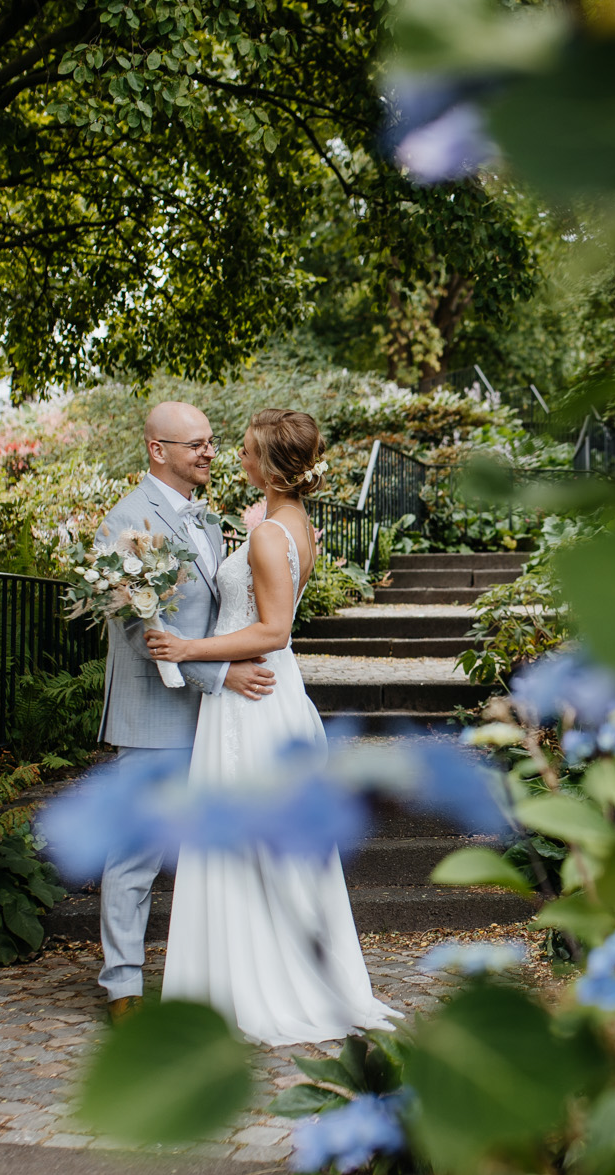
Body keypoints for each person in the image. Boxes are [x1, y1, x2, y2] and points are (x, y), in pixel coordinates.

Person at [144, 408, 399, 1046]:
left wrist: (188, 649)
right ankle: (262, 975)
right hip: (270, 693)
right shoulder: (294, 525)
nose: (237, 458)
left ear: (272, 467)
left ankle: (256, 987)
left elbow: (275, 630)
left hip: (252, 701)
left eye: (248, 451)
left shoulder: (266, 535)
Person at [93, 401, 277, 1024]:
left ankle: (213, 975)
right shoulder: (125, 523)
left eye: (210, 441)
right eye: (195, 444)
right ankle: (123, 986)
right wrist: (224, 674)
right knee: (137, 854)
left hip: (217, 717)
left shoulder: (207, 519)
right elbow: (143, 635)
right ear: (157, 450)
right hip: (156, 715)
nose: (209, 452)